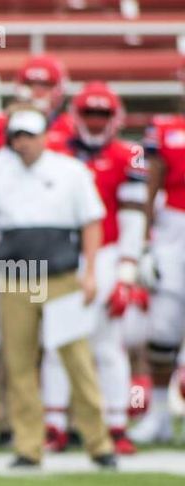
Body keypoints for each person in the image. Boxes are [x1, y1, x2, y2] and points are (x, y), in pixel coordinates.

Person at [0, 105, 116, 469]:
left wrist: (90, 271)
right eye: (17, 136)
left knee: (76, 358)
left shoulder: (71, 172)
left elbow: (91, 223)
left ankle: (99, 442)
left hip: (60, 276)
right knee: (19, 364)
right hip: (15, 277)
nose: (23, 143)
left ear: (44, 137)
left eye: (30, 135)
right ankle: (28, 446)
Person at [42, 82, 148, 456]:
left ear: (115, 117)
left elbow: (134, 215)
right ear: (76, 115)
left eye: (102, 114)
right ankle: (56, 424)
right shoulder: (55, 150)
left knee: (107, 344)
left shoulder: (128, 155)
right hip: (63, 255)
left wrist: (126, 273)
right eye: (90, 113)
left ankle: (116, 424)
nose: (96, 121)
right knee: (57, 343)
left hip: (105, 254)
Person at [131, 87, 185, 444]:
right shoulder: (165, 129)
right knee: (162, 330)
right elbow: (150, 184)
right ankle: (159, 414)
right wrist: (144, 241)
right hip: (172, 231)